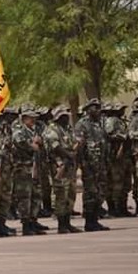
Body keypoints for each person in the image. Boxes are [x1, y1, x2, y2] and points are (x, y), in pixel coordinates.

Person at [43, 105, 81, 233]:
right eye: (63, 116)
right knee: (61, 195)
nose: (66, 118)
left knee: (71, 194)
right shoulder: (52, 130)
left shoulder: (67, 129)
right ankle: (61, 224)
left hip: (69, 165)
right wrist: (68, 155)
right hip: (59, 165)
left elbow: (73, 142)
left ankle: (68, 222)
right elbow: (55, 147)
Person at [74, 99, 111, 231]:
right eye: (95, 108)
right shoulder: (82, 124)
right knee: (90, 193)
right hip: (89, 165)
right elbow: (79, 146)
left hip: (100, 163)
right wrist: (83, 163)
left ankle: (95, 218)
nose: (98, 110)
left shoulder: (98, 124)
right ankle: (89, 221)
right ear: (88, 109)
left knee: (100, 191)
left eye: (99, 108)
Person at [11, 106, 47, 236]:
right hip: (23, 167)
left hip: (35, 166)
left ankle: (33, 220)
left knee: (36, 195)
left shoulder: (34, 130)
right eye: (31, 118)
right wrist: (32, 144)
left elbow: (42, 143)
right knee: (25, 196)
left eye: (34, 118)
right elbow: (19, 141)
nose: (33, 120)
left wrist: (39, 143)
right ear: (24, 118)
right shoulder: (19, 130)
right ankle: (26, 223)